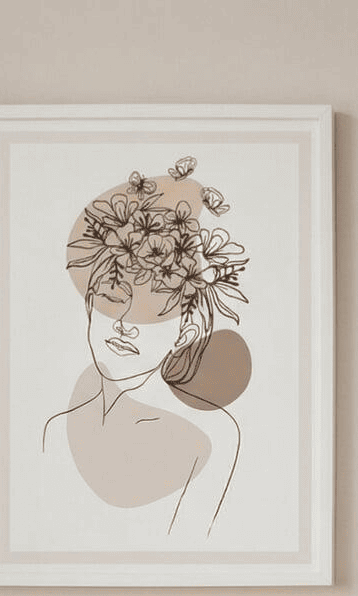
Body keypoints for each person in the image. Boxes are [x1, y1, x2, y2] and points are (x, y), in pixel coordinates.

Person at [44, 157, 250, 538]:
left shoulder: (211, 436)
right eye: (109, 298)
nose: (123, 323)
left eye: (150, 309)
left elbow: (197, 548)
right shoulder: (56, 419)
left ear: (185, 331)